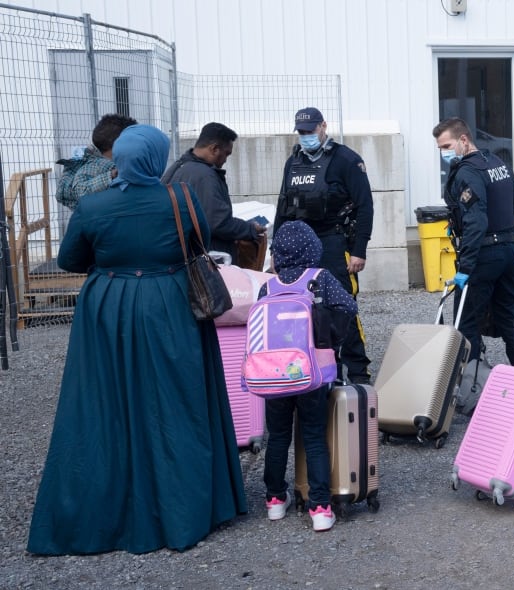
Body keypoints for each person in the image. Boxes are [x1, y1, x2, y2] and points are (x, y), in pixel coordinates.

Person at [27, 124, 247, 555]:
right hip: (170, 304)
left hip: (108, 308)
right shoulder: (180, 199)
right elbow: (199, 241)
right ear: (156, 158)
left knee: (104, 404)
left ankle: (104, 509)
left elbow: (71, 259)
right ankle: (182, 508)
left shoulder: (92, 206)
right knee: (176, 402)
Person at [260, 220, 358, 532]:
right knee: (314, 436)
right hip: (312, 373)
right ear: (313, 248)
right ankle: (319, 507)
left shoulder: (268, 285)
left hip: (274, 375)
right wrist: (330, 335)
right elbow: (349, 307)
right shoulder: (319, 278)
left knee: (277, 437)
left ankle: (275, 500)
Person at [274, 107, 374, 385]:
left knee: (343, 307)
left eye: (310, 130)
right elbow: (283, 206)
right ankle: (325, 372)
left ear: (323, 126)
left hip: (333, 242)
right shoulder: (293, 162)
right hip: (299, 247)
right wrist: (275, 249)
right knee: (305, 308)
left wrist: (359, 250)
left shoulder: (346, 160)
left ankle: (358, 373)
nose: (306, 136)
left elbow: (365, 206)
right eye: (302, 132)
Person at [432, 117, 514, 373]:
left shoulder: (467, 173)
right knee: (511, 320)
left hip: (483, 257)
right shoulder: (498, 163)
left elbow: (475, 221)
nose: (443, 153)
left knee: (467, 326)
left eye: (446, 146)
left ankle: (472, 389)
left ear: (463, 140)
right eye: (440, 148)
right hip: (509, 253)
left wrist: (465, 268)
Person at [162, 122, 265, 264]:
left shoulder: (177, 167)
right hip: (209, 259)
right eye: (226, 154)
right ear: (214, 148)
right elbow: (217, 223)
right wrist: (250, 229)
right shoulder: (205, 176)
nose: (225, 160)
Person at [55, 113, 138, 210]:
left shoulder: (99, 159)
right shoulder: (96, 165)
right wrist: (110, 175)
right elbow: (80, 191)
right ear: (117, 145)